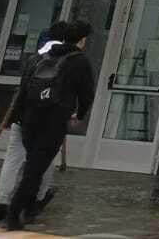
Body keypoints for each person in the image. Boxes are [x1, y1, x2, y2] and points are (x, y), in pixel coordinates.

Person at [7, 20, 94, 231]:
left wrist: (15, 117)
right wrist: (79, 114)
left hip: (29, 119)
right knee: (35, 169)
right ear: (82, 40)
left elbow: (24, 89)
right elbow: (87, 94)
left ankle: (30, 209)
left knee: (34, 164)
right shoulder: (80, 61)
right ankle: (13, 213)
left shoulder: (41, 56)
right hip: (53, 121)